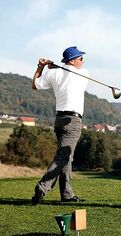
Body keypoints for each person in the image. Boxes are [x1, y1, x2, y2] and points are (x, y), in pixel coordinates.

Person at [31, 46, 89, 205]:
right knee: (63, 157)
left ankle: (67, 194)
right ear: (72, 60)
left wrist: (41, 67)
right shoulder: (84, 73)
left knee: (66, 157)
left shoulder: (53, 73)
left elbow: (35, 84)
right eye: (80, 58)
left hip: (59, 120)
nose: (83, 61)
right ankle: (43, 187)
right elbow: (69, 72)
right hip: (73, 121)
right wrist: (53, 66)